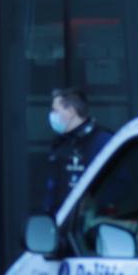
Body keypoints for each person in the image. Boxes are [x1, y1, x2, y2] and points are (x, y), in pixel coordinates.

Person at [38, 86, 113, 217]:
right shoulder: (61, 143)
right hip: (60, 219)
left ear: (71, 111)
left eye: (55, 110)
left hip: (87, 223)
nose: (52, 115)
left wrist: (93, 204)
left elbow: (119, 183)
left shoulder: (102, 142)